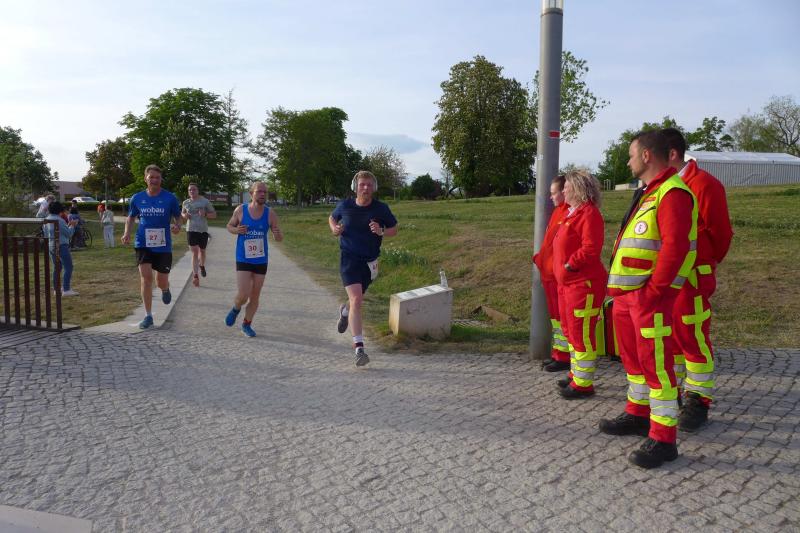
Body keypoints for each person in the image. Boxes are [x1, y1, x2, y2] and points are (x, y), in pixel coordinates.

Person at [600, 130, 697, 469]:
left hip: (648, 298)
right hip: (628, 297)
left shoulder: (672, 192)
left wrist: (654, 292)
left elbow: (676, 247)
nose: (628, 162)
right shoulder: (649, 192)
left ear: (645, 156)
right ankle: (637, 414)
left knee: (657, 368)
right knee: (634, 363)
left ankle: (664, 438)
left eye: (631, 155)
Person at [663, 127, 733, 431]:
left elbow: (721, 234)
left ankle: (699, 399)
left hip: (692, 276)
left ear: (672, 154)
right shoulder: (664, 187)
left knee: (692, 337)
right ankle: (679, 390)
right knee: (671, 337)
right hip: (667, 276)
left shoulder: (704, 184)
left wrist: (703, 261)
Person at [329, 170, 398, 367]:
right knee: (357, 300)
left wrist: (382, 231)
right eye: (362, 184)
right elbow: (332, 218)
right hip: (349, 259)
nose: (365, 188)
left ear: (374, 188)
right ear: (355, 187)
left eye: (369, 185)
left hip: (370, 262)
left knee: (355, 301)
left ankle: (345, 312)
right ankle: (359, 348)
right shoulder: (345, 205)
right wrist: (335, 229)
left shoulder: (381, 209)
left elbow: (394, 229)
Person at [552, 169, 608, 399]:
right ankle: (576, 374)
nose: (563, 190)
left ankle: (583, 383)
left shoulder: (589, 214)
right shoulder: (572, 213)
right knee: (570, 331)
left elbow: (590, 249)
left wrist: (569, 265)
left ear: (577, 189)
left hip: (582, 284)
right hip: (568, 284)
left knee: (581, 332)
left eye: (567, 187)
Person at [121, 165, 182, 329]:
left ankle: (165, 289)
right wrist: (127, 233)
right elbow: (130, 217)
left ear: (161, 179)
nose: (154, 180)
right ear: (145, 179)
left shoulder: (170, 198)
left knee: (160, 281)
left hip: (163, 245)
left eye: (157, 177)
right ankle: (148, 316)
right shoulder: (137, 198)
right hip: (143, 243)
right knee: (146, 278)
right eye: (151, 177)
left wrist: (178, 226)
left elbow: (178, 217)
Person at [224, 182, 283, 337]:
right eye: (259, 191)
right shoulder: (240, 210)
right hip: (243, 258)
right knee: (243, 295)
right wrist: (236, 230)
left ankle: (246, 324)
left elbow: (279, 237)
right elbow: (229, 226)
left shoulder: (270, 214)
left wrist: (277, 235)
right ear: (251, 194)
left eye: (265, 192)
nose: (263, 194)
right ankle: (236, 308)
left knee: (255, 296)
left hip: (261, 260)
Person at [532, 175, 571, 371]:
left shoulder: (568, 213)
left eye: (554, 193)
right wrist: (540, 259)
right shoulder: (558, 212)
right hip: (549, 274)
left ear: (565, 192)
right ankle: (559, 353)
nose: (551, 197)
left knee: (562, 318)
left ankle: (564, 356)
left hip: (557, 275)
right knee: (556, 319)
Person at [181, 183, 217, 287]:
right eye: (190, 190)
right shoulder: (185, 202)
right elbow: (182, 213)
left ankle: (202, 265)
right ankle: (195, 275)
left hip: (203, 230)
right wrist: (184, 215)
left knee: (202, 251)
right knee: (194, 253)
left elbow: (214, 215)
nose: (191, 191)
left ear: (198, 191)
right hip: (191, 230)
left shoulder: (205, 201)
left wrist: (205, 214)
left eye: (194, 189)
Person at [43, 201, 79, 296]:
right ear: (60, 210)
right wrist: (72, 225)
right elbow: (69, 234)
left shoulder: (46, 220)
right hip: (61, 245)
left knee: (57, 267)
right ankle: (66, 289)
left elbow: (46, 234)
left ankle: (56, 289)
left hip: (51, 245)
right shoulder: (60, 220)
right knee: (68, 267)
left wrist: (68, 226)